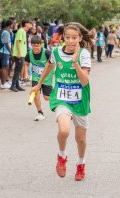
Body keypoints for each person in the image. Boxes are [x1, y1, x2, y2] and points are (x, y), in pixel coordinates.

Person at [31, 22, 92, 181]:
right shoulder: (56, 51)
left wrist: (75, 62)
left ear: (79, 38)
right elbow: (49, 66)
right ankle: (62, 156)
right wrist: (39, 84)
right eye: (67, 37)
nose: (71, 41)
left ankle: (80, 164)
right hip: (61, 97)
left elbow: (85, 81)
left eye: (74, 38)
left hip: (80, 100)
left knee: (81, 139)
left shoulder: (84, 54)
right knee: (64, 131)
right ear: (63, 38)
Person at [25, 35, 53, 121]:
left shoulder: (47, 53)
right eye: (34, 45)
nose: (36, 47)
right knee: (35, 93)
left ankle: (62, 102)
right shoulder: (29, 53)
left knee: (47, 98)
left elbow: (53, 63)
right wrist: (26, 73)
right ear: (31, 45)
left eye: (37, 45)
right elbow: (26, 64)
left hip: (47, 78)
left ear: (41, 45)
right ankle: (40, 112)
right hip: (36, 78)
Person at [10, 19, 32, 92]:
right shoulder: (20, 31)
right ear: (26, 24)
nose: (31, 24)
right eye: (30, 23)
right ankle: (12, 86)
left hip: (22, 53)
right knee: (17, 70)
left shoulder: (24, 31)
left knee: (19, 70)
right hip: (19, 54)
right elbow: (18, 42)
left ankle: (17, 85)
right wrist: (19, 53)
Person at [0, 19, 13, 89]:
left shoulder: (7, 32)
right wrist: (11, 52)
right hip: (4, 51)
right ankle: (3, 83)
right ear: (10, 25)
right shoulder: (6, 32)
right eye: (13, 24)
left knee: (6, 67)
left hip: (5, 52)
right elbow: (6, 43)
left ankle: (5, 82)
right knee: (4, 67)